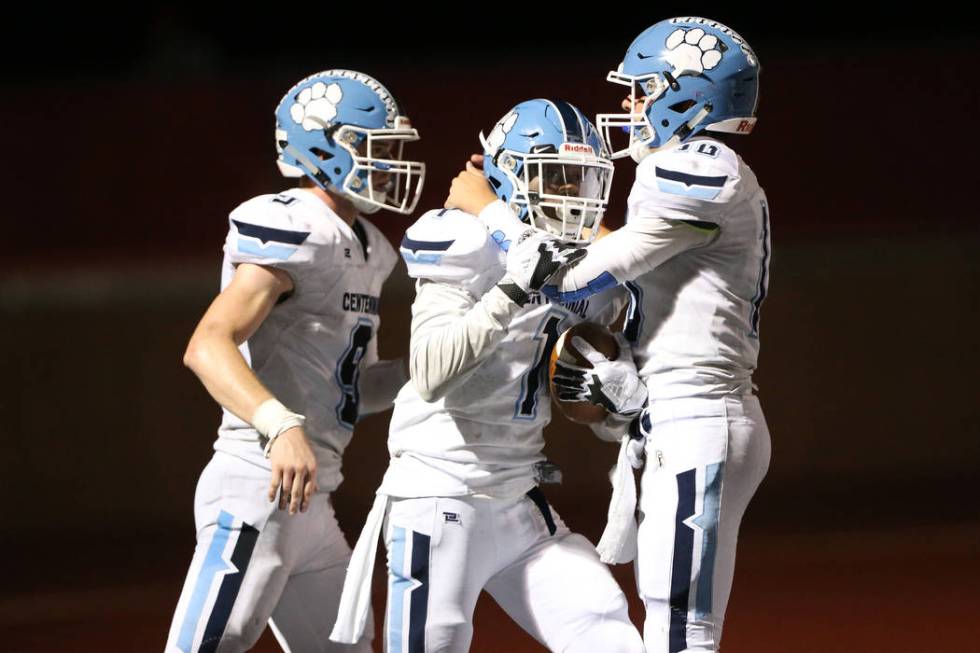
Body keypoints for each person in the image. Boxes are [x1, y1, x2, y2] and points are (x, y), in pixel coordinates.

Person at [446, 18, 772, 653]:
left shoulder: (693, 167)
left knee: (682, 631)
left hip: (699, 417)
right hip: (692, 415)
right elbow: (621, 261)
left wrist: (491, 207)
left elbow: (567, 281)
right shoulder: (709, 171)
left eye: (644, 88)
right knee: (670, 621)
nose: (630, 105)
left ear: (689, 94)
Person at [330, 99, 644, 653]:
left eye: (583, 180)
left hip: (516, 495)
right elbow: (430, 372)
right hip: (438, 492)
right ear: (509, 176)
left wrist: (611, 398)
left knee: (602, 622)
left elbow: (587, 373)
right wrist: (515, 286)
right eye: (557, 177)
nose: (573, 195)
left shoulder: (586, 258)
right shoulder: (464, 239)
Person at [165, 69, 425, 653]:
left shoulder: (369, 246)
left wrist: (433, 371)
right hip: (256, 482)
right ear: (324, 147)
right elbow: (207, 344)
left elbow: (353, 387)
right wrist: (279, 424)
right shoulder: (293, 223)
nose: (387, 164)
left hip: (311, 497)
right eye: (373, 148)